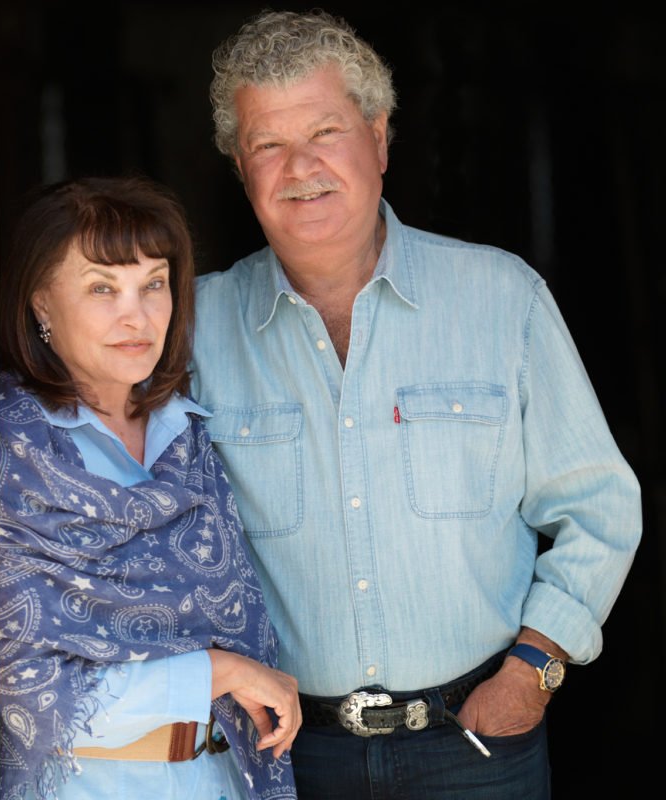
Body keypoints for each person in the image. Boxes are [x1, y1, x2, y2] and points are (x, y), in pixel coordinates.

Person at [190, 9, 642, 799]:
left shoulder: (502, 297)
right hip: (282, 758)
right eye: (268, 144)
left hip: (476, 746)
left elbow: (599, 508)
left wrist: (532, 671)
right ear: (239, 166)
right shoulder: (192, 329)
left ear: (379, 138)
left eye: (326, 131)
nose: (301, 167)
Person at [0, 175, 300, 800]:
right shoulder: (10, 450)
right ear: (41, 303)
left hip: (222, 778)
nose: (136, 317)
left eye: (153, 284)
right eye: (102, 288)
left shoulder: (188, 435)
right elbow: (30, 692)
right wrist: (219, 671)